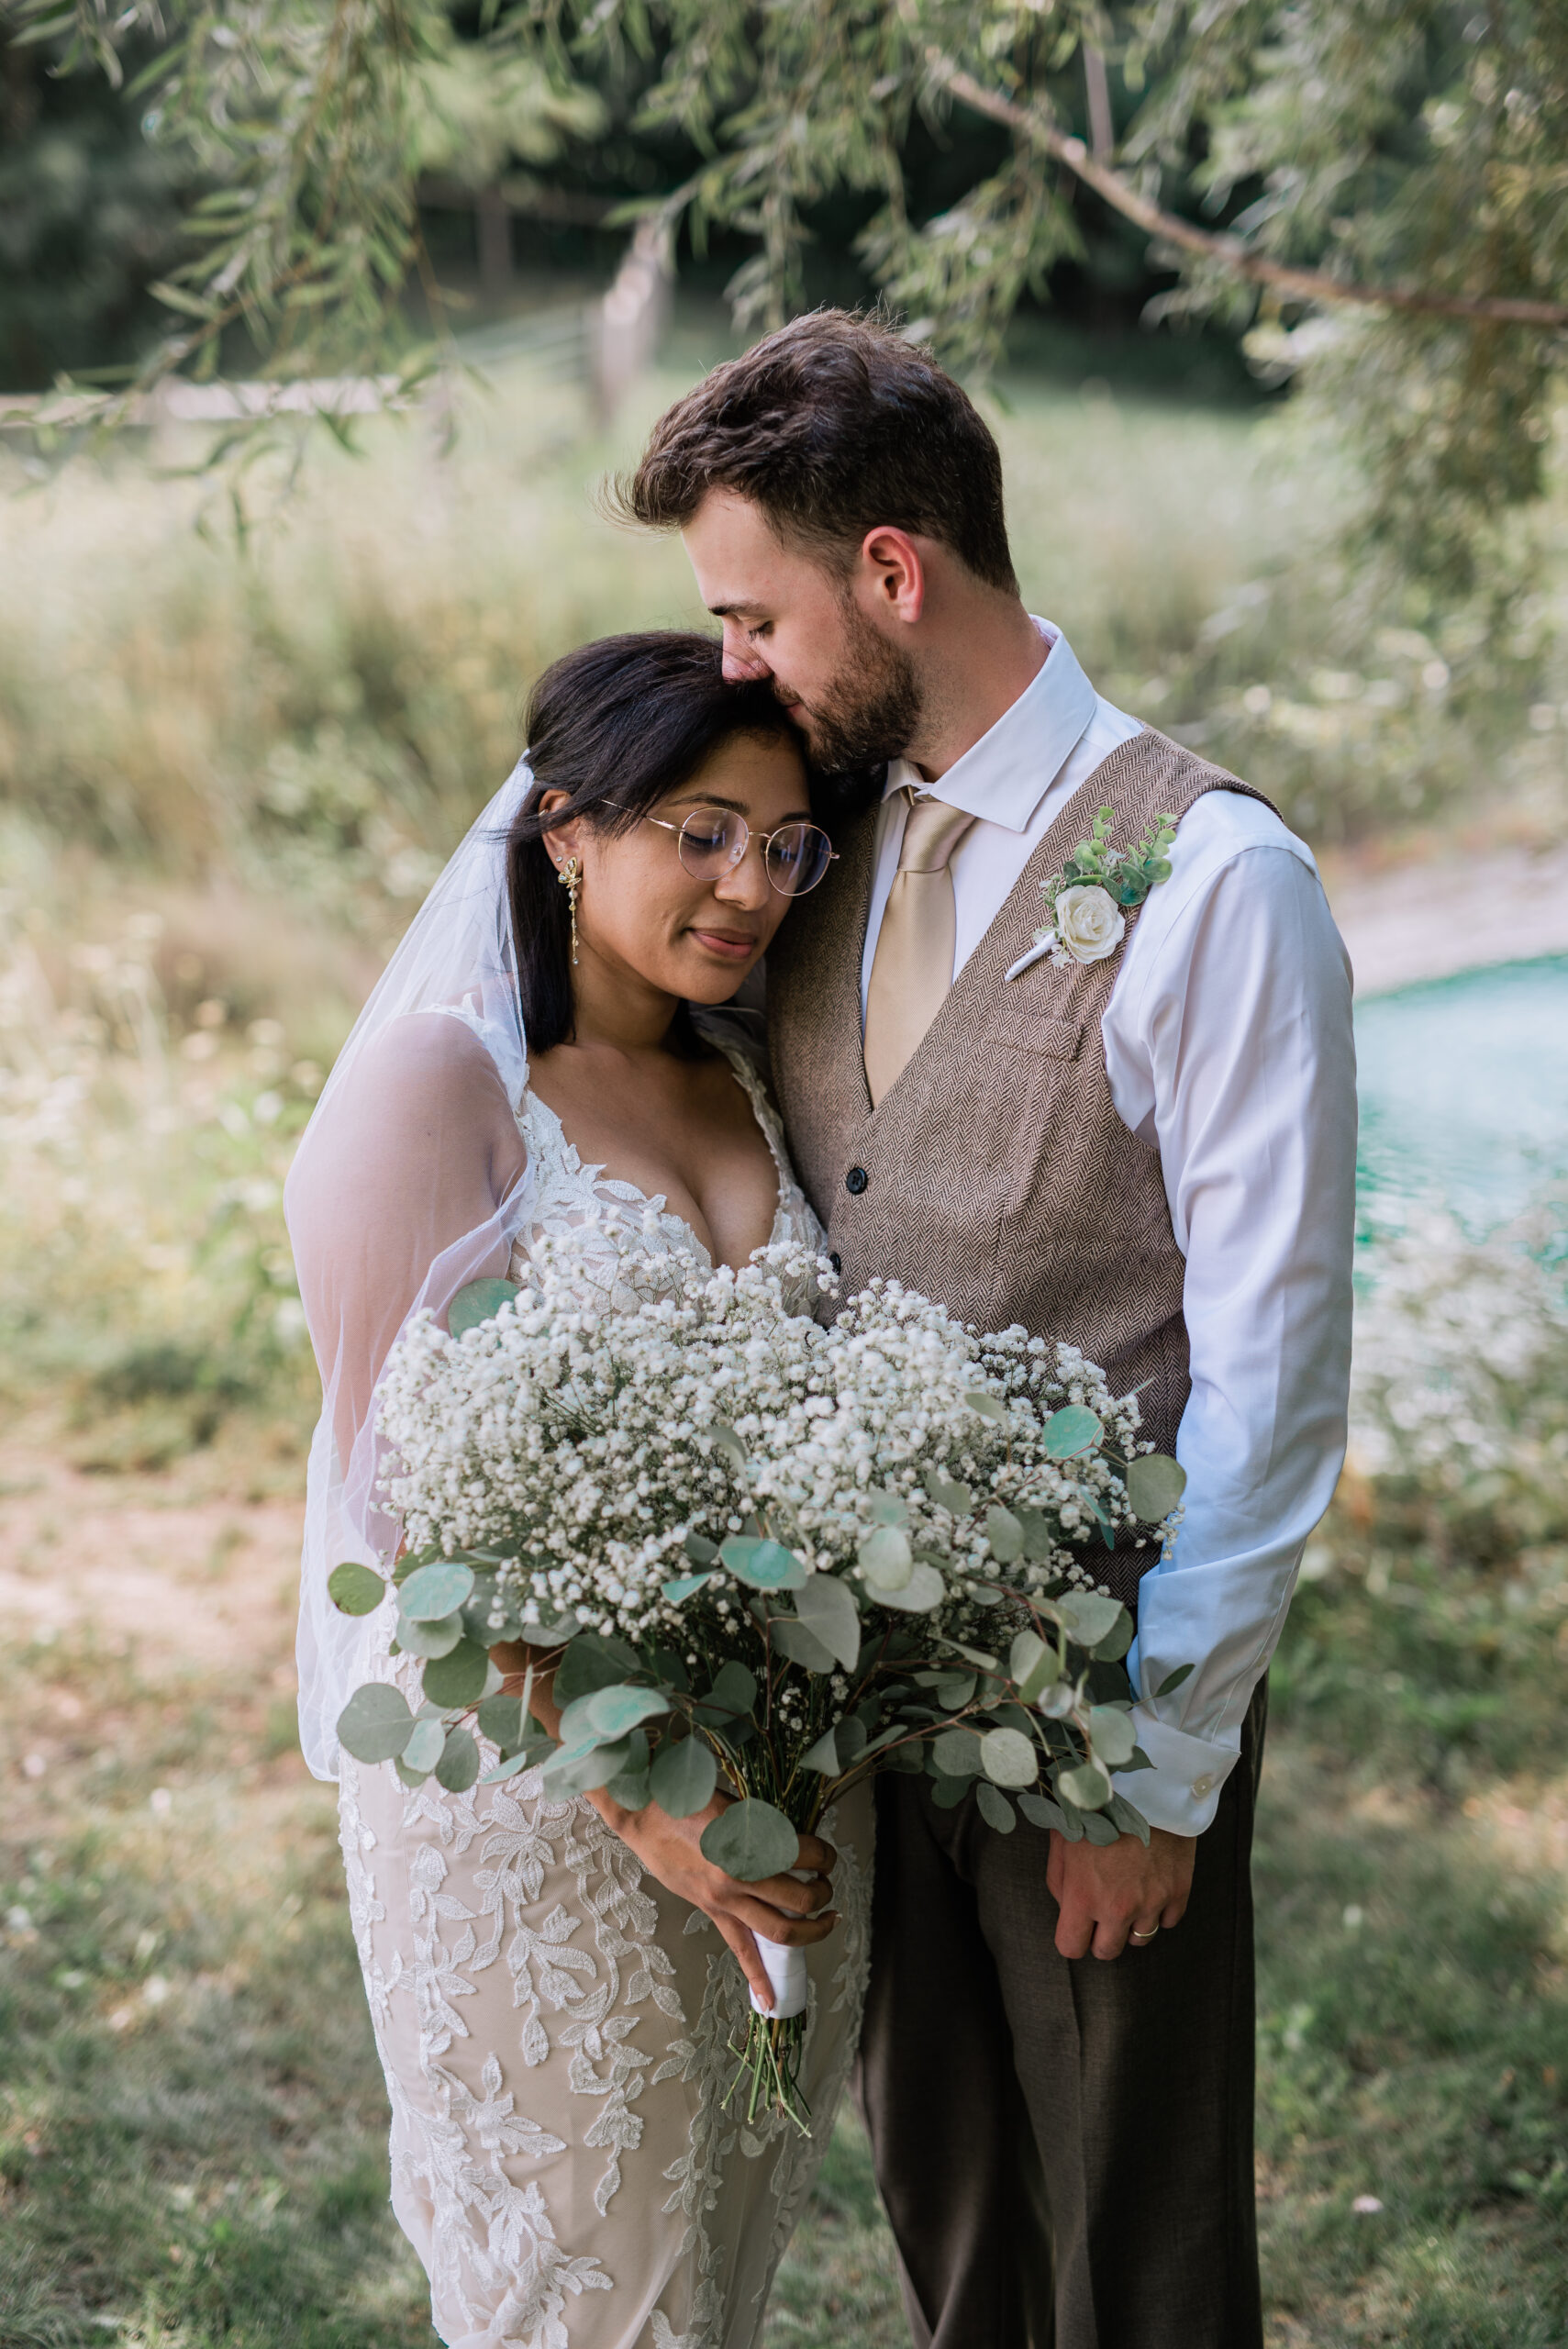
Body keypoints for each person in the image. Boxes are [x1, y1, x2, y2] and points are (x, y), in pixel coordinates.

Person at [616, 313, 1358, 2349]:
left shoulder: (1215, 880)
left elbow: (1278, 1368)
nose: (732, 666)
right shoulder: (813, 838)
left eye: (750, 614)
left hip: (1096, 1689)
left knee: (1139, 2240)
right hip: (866, 1704)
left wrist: (1159, 1759)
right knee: (951, 2212)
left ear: (891, 573)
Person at [286, 632, 872, 2349]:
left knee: (717, 2279)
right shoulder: (436, 1090)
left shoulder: (752, 1082)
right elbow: (403, 1511)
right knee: (586, 2301)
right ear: (562, 829)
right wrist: (639, 1796)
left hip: (764, 1785)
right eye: (702, 829)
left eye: (785, 844)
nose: (749, 884)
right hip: (530, 1801)